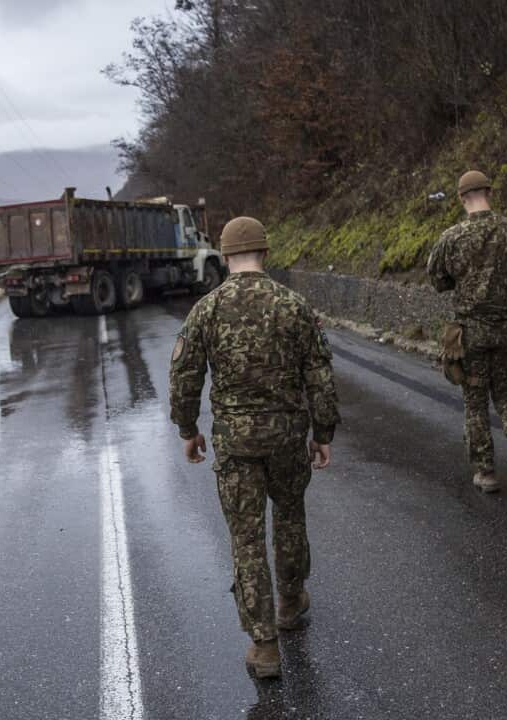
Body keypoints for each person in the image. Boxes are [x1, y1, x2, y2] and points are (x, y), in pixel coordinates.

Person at [169, 216, 340, 679]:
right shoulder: (294, 305)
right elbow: (320, 375)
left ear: (225, 258)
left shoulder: (207, 309)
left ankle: (264, 645)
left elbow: (185, 376)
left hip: (236, 443)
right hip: (287, 438)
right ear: (265, 253)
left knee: (246, 539)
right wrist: (322, 434)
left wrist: (188, 429)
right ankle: (290, 602)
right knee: (289, 516)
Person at [427, 171, 507, 494]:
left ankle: (486, 472)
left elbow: (438, 279)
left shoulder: (452, 237)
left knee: (475, 402)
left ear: (460, 198)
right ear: (489, 192)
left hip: (472, 332)